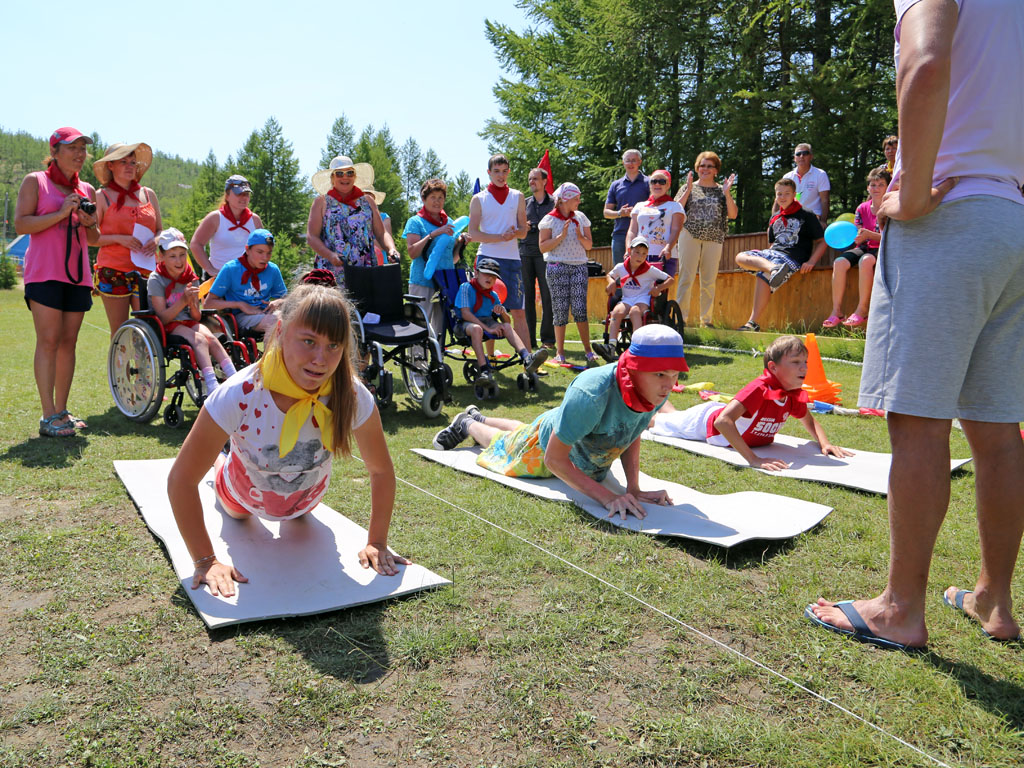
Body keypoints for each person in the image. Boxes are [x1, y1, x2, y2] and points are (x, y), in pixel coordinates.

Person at [808, 0, 1024, 650]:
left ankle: (901, 609)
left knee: (918, 419)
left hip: (948, 217)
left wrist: (919, 189)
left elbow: (925, 64)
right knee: (999, 431)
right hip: (1012, 219)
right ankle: (995, 600)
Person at [166, 276, 409, 597]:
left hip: (307, 500)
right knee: (236, 508)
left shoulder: (350, 394)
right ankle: (220, 460)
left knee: (299, 513)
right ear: (280, 332)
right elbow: (180, 481)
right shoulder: (239, 393)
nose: (321, 358)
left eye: (333, 345)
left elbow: (380, 470)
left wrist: (377, 541)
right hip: (240, 495)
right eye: (308, 341)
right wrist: (206, 560)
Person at [431, 324, 689, 520]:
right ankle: (467, 423)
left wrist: (633, 488)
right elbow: (553, 460)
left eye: (675, 374)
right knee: (502, 445)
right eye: (660, 373)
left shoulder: (652, 389)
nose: (670, 384)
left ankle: (479, 415)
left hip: (562, 426)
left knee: (522, 430)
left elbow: (632, 431)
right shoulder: (592, 394)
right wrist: (607, 497)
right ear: (633, 368)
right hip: (539, 448)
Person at [650, 335, 851, 470]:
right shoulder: (760, 388)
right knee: (654, 422)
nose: (804, 368)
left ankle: (663, 403)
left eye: (805, 362)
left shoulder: (791, 393)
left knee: (673, 417)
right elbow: (722, 422)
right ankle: (644, 404)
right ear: (773, 368)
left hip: (716, 415)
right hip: (702, 424)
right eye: (796, 362)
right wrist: (753, 459)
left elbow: (809, 420)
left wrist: (825, 444)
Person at [14, 127, 99, 437]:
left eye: (82, 148)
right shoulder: (36, 181)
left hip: (77, 277)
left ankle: (62, 411)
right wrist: (62, 212)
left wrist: (89, 223)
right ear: (55, 151)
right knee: (48, 340)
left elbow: (95, 240)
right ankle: (47, 414)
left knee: (69, 342)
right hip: (45, 274)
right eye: (71, 147)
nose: (79, 154)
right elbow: (21, 223)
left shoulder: (88, 190)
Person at [147, 228, 237, 394]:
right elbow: (162, 318)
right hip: (167, 325)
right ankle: (212, 386)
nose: (179, 260)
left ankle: (234, 380)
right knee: (200, 341)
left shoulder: (191, 277)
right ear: (161, 256)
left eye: (182, 255)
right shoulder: (156, 279)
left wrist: (193, 304)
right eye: (172, 256)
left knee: (212, 338)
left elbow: (196, 316)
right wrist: (183, 301)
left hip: (189, 321)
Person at [735, 178, 825, 332]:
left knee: (762, 275)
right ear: (775, 196)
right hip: (773, 255)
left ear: (794, 195)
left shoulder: (807, 215)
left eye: (787, 193)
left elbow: (822, 241)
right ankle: (774, 269)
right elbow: (771, 244)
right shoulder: (774, 217)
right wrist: (766, 260)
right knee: (740, 257)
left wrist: (811, 261)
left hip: (792, 258)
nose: (782, 197)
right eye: (779, 194)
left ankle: (752, 323)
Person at [92, 142, 163, 335]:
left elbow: (159, 231)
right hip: (113, 270)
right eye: (123, 161)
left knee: (149, 328)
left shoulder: (149, 194)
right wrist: (120, 239)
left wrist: (156, 241)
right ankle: (120, 366)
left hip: (147, 270)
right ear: (110, 166)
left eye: (133, 162)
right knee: (120, 331)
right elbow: (91, 238)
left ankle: (144, 366)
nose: (130, 166)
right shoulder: (101, 196)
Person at [468, 154, 533, 352]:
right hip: (486, 259)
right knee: (486, 311)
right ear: (489, 173)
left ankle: (529, 361)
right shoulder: (478, 199)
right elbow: (473, 233)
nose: (501, 175)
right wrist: (500, 237)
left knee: (518, 312)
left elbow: (524, 230)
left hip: (512, 260)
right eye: (496, 171)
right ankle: (490, 356)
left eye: (504, 171)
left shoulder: (518, 196)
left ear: (509, 172)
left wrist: (516, 233)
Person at [306, 156, 400, 290]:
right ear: (332, 178)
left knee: (366, 309)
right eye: (339, 173)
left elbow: (381, 233)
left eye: (350, 173)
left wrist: (391, 249)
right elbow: (312, 237)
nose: (345, 177)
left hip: (364, 269)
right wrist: (330, 255)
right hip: (331, 272)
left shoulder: (368, 201)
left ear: (354, 176)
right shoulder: (321, 202)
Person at [455, 258, 548, 385]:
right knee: (477, 329)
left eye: (494, 276)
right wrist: (487, 329)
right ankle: (484, 370)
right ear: (476, 273)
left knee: (506, 327)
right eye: (486, 274)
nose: (490, 279)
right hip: (464, 324)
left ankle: (527, 357)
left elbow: (507, 321)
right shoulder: (466, 287)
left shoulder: (493, 295)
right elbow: (466, 314)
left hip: (487, 322)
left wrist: (502, 312)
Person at [674, 152, 738, 327]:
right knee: (686, 278)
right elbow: (676, 210)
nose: (705, 169)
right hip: (690, 235)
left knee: (708, 280)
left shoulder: (722, 190)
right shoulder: (688, 186)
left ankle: (706, 321)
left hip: (714, 237)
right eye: (702, 165)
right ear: (697, 168)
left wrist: (727, 194)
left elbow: (732, 214)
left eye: (710, 166)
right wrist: (687, 190)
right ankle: (681, 320)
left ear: (716, 170)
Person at [538, 182, 598, 367]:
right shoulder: (548, 220)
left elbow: (589, 246)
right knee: (560, 310)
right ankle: (560, 353)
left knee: (580, 309)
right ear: (564, 200)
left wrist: (580, 236)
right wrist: (560, 238)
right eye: (576, 199)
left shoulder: (581, 218)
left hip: (579, 266)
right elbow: (542, 247)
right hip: (557, 267)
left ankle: (588, 351)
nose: (579, 202)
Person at [822, 167, 891, 328]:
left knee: (866, 261)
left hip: (883, 248)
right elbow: (858, 234)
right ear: (868, 187)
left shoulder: (890, 208)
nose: (876, 188)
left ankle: (862, 310)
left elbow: (890, 238)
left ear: (887, 187)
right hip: (866, 246)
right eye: (873, 185)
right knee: (839, 262)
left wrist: (869, 235)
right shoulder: (862, 208)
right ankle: (837, 311)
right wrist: (859, 237)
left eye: (881, 184)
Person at [403, 178, 464, 337]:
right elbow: (412, 253)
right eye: (433, 197)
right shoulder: (415, 222)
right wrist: (433, 234)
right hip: (422, 281)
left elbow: (452, 258)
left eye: (440, 198)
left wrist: (462, 243)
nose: (437, 202)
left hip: (445, 281)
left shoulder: (449, 222)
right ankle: (417, 362)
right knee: (418, 326)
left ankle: (439, 360)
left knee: (442, 326)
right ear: (424, 199)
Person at [595, 237, 674, 359]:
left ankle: (637, 347)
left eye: (644, 254)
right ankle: (610, 347)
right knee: (616, 312)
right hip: (627, 298)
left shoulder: (650, 270)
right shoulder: (621, 267)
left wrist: (658, 288)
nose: (640, 256)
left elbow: (670, 279)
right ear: (629, 251)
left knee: (635, 312)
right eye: (637, 252)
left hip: (643, 299)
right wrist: (611, 282)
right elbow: (610, 275)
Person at [204, 229, 287, 335]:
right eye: (260, 252)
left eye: (269, 253)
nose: (265, 258)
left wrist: (278, 302)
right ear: (247, 249)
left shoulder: (272, 269)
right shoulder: (231, 269)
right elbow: (208, 303)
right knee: (276, 322)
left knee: (292, 320)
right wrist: (240, 304)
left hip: (266, 313)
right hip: (241, 316)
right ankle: (273, 352)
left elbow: (286, 298)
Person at [189, 175, 264, 278]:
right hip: (219, 278)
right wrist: (210, 269)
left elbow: (263, 248)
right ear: (227, 196)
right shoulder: (215, 218)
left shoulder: (255, 220)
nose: (244, 197)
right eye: (239, 194)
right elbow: (196, 244)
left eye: (246, 194)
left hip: (246, 279)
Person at [626, 169, 685, 279]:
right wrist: (628, 249)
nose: (657, 184)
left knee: (659, 292)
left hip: (664, 255)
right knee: (637, 290)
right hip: (639, 255)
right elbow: (632, 230)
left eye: (662, 181)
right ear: (650, 185)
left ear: (668, 185)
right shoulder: (639, 206)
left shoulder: (675, 206)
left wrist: (668, 247)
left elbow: (676, 230)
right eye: (653, 181)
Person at [521, 167, 556, 350]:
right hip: (525, 252)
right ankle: (529, 341)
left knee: (547, 296)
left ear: (544, 181)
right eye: (530, 179)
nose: (532, 182)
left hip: (547, 254)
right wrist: (523, 227)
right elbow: (516, 229)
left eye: (535, 178)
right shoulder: (524, 204)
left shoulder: (554, 203)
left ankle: (548, 340)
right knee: (526, 298)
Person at [604, 149, 650, 265]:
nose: (631, 163)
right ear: (623, 163)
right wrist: (620, 213)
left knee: (644, 274)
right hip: (620, 234)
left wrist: (638, 211)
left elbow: (656, 207)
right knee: (620, 273)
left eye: (634, 160)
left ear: (640, 162)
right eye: (628, 161)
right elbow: (606, 212)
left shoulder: (649, 182)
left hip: (644, 233)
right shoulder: (616, 185)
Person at [778, 143, 830, 228]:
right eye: (798, 154)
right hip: (792, 220)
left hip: (814, 219)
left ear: (811, 156)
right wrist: (774, 221)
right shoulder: (787, 177)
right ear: (795, 158)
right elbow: (778, 201)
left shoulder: (820, 174)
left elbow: (825, 200)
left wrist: (823, 221)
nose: (801, 156)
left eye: (805, 153)